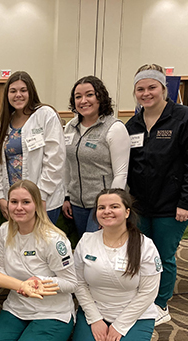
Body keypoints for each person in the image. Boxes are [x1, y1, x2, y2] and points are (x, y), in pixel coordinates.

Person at [126, 64, 188, 325]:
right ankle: (142, 298)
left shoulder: (185, 118)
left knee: (163, 256)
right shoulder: (133, 124)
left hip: (172, 206)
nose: (146, 93)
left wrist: (186, 201)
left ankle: (160, 304)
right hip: (140, 204)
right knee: (140, 255)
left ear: (163, 89)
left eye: (152, 87)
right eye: (140, 89)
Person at [0, 180, 76, 341]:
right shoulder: (3, 231)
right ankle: (29, 333)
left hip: (52, 311)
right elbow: (2, 269)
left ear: (37, 205)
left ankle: (61, 336)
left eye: (25, 202)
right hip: (18, 307)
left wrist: (39, 282)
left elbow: (71, 283)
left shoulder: (54, 239)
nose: (18, 207)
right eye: (13, 201)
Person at [71, 189, 162, 341]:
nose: (107, 211)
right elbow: (78, 283)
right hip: (96, 309)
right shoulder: (86, 241)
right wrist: (95, 318)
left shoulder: (145, 246)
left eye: (114, 206)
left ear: (127, 212)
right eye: (101, 207)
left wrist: (120, 325)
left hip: (134, 313)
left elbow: (148, 293)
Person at [0, 71, 66, 224]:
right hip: (15, 203)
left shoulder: (45, 115)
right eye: (13, 91)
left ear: (31, 92)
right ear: (7, 95)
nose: (18, 95)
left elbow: (55, 160)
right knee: (19, 245)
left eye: (23, 90)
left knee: (41, 245)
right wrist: (0, 196)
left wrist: (41, 196)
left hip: (43, 201)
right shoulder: (4, 122)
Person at [62, 76, 130, 237]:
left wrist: (110, 207)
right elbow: (66, 165)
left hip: (102, 205)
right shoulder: (70, 127)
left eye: (89, 95)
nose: (83, 100)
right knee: (84, 248)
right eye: (78, 96)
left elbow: (121, 173)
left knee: (99, 249)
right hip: (77, 203)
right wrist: (66, 196)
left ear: (100, 96)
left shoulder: (115, 128)